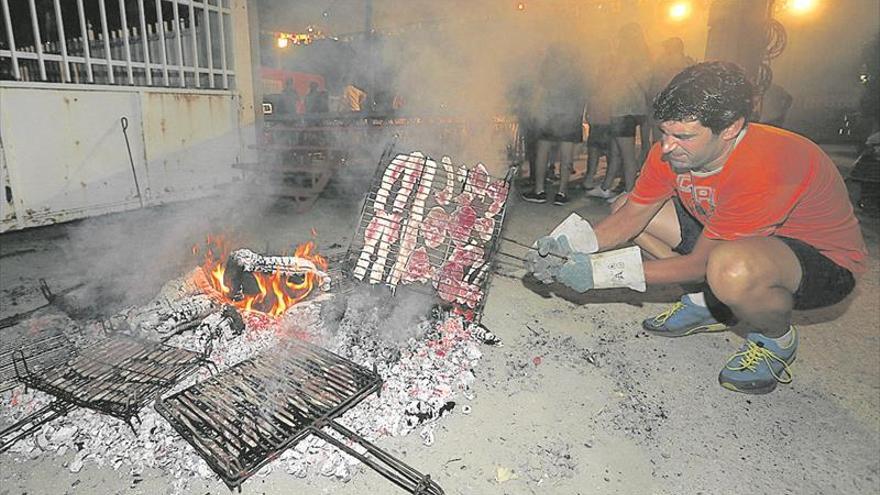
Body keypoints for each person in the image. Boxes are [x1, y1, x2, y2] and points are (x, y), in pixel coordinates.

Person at [526, 62, 867, 394]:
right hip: (732, 236)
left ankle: (776, 341)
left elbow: (704, 261)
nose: (668, 145)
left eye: (684, 136)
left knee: (728, 269)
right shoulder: (671, 150)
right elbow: (631, 217)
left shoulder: (766, 165)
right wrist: (570, 246)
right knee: (624, 205)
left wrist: (599, 273)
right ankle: (704, 303)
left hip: (820, 263)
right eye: (664, 132)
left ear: (731, 128)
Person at [585, 23, 652, 203]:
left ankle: (630, 194)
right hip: (629, 108)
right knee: (615, 150)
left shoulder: (627, 55)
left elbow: (617, 80)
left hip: (624, 109)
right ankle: (607, 187)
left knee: (626, 154)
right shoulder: (643, 55)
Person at [522, 44, 587, 206]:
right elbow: (582, 92)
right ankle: (562, 192)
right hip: (570, 114)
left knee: (543, 150)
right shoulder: (577, 68)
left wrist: (536, 111)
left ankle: (539, 190)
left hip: (549, 112)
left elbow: (541, 89)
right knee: (566, 154)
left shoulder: (549, 65)